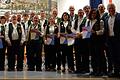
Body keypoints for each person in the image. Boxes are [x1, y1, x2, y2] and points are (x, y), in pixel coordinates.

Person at [86, 9, 106, 76]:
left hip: (98, 40)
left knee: (99, 56)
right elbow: (86, 30)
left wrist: (95, 32)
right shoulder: (88, 21)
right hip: (90, 40)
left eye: (94, 13)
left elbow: (102, 31)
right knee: (93, 56)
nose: (93, 14)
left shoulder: (100, 21)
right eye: (92, 13)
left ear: (97, 14)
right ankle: (94, 70)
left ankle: (100, 71)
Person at [104, 3, 120, 78]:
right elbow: (106, 30)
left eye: (112, 7)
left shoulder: (119, 16)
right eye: (109, 8)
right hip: (110, 40)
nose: (111, 9)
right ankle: (116, 72)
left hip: (118, 39)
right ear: (107, 9)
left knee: (119, 56)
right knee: (112, 57)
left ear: (115, 8)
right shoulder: (106, 18)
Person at [71, 9, 89, 74]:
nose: (80, 13)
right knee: (77, 54)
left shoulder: (86, 20)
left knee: (84, 54)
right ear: (77, 13)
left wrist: (80, 33)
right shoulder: (75, 20)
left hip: (83, 39)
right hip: (77, 38)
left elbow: (87, 28)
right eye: (79, 12)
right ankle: (78, 69)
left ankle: (85, 69)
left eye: (81, 12)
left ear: (83, 13)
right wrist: (77, 33)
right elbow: (72, 29)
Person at [97, 4, 113, 75]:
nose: (100, 8)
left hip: (106, 38)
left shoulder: (107, 15)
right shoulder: (97, 16)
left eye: (102, 7)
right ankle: (103, 69)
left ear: (104, 8)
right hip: (99, 39)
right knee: (101, 55)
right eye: (99, 7)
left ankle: (110, 69)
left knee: (109, 55)